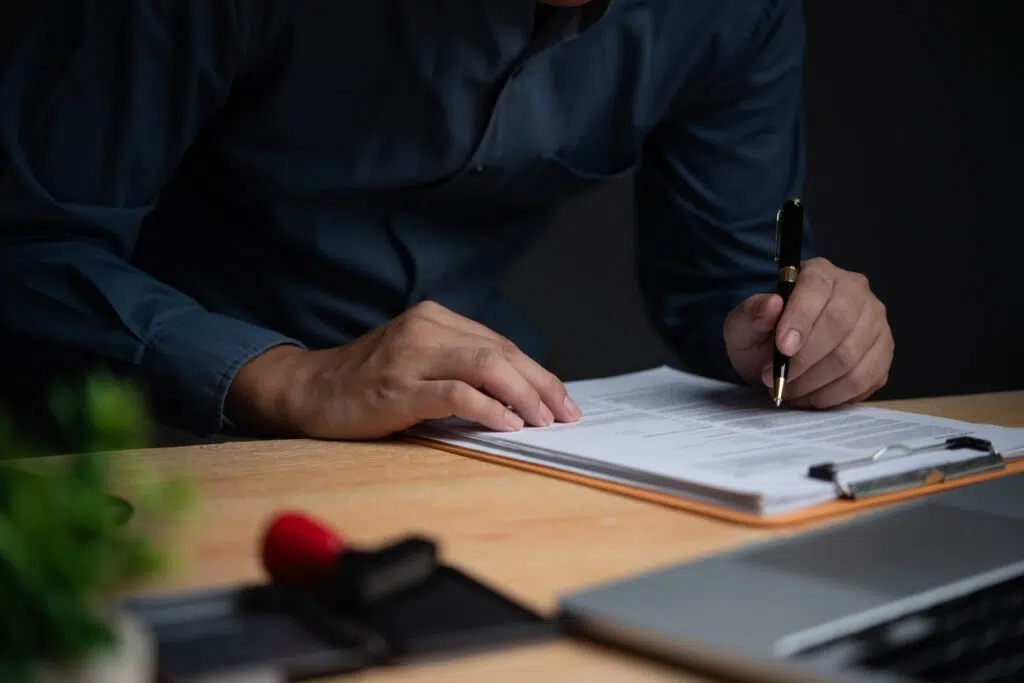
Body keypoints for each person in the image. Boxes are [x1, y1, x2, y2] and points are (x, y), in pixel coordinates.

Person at [0, 0, 893, 442]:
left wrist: (799, 337)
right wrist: (288, 378)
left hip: (481, 442)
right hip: (147, 437)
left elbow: (723, 279)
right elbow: (27, 246)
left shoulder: (732, 12)